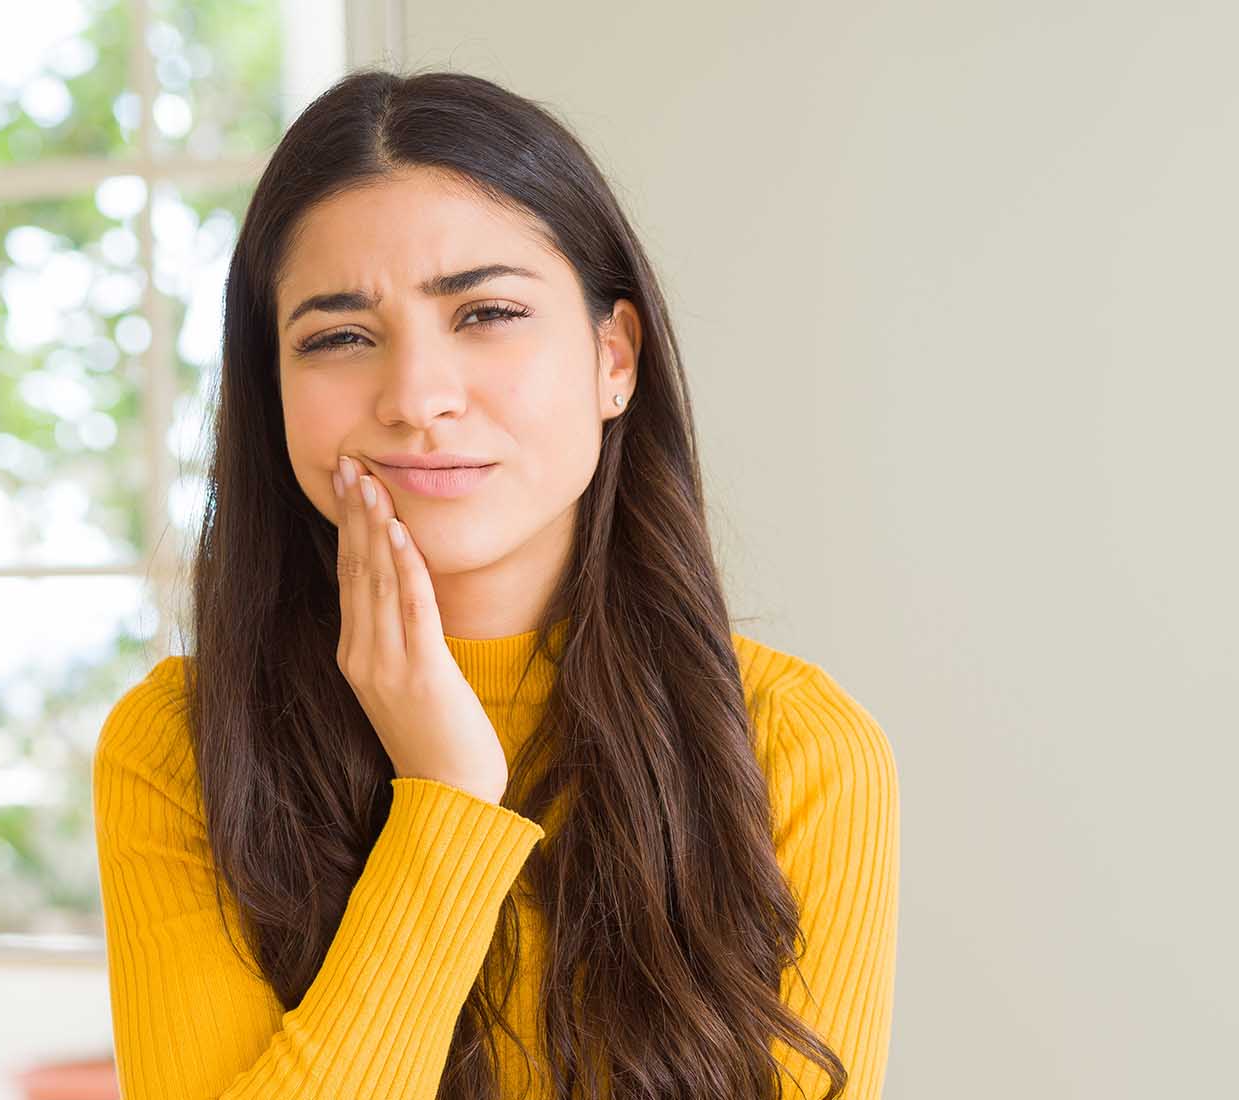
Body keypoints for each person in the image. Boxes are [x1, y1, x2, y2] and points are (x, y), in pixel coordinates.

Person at [92, 67, 899, 1100]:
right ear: (273, 391)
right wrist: (445, 800)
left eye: (486, 313)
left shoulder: (799, 747)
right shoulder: (180, 746)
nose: (419, 398)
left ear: (615, 356)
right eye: (339, 336)